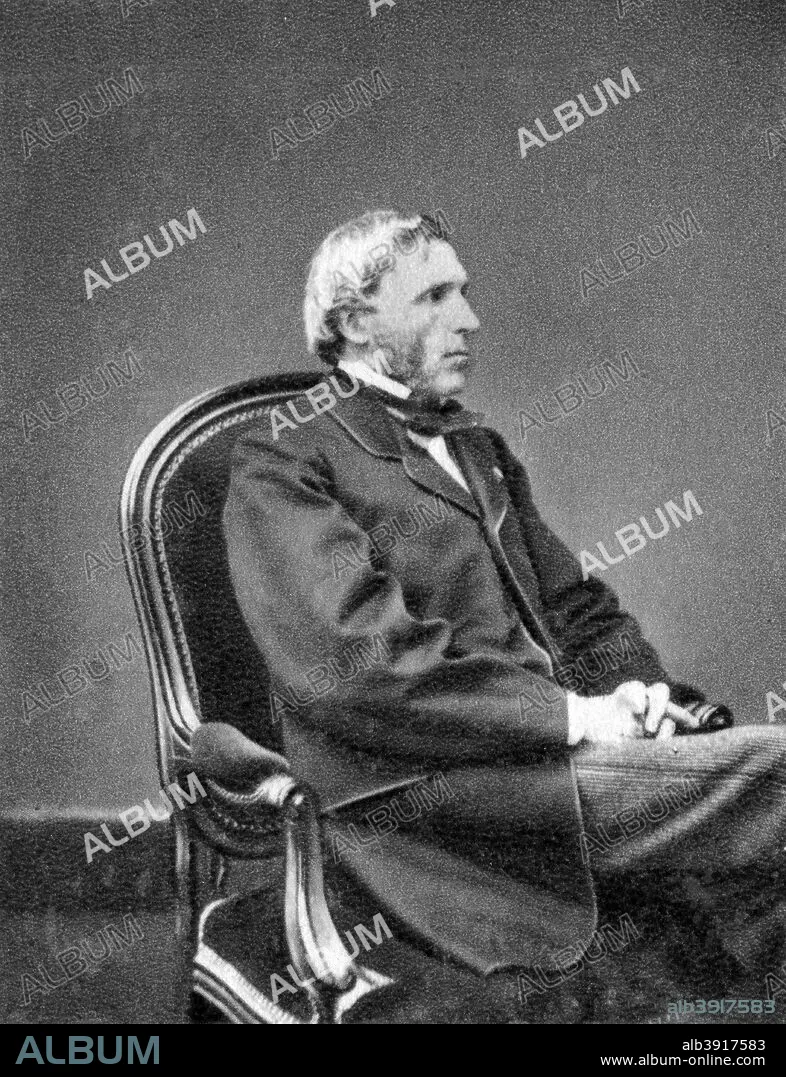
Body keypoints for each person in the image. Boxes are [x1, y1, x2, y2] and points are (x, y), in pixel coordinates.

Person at [221, 209, 786, 1018]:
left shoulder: (475, 447)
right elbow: (361, 670)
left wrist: (647, 700)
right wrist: (575, 718)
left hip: (537, 761)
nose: (469, 318)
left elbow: (577, 610)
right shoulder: (286, 457)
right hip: (422, 796)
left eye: (463, 291)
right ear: (355, 323)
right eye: (434, 297)